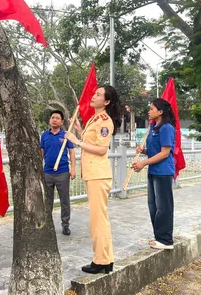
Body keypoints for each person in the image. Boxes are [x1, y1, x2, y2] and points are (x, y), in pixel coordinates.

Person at [65, 86, 122, 275]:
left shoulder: (105, 121)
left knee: (99, 220)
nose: (94, 95)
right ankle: (104, 259)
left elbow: (101, 149)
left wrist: (76, 141)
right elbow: (92, 142)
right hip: (92, 174)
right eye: (95, 92)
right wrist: (81, 131)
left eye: (98, 94)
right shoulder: (94, 119)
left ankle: (103, 260)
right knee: (97, 219)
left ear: (106, 102)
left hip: (99, 174)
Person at [132, 98, 176, 250]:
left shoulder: (166, 128)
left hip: (163, 172)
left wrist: (143, 163)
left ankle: (166, 240)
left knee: (164, 206)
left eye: (151, 108)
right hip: (154, 171)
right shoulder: (153, 128)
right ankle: (159, 237)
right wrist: (142, 151)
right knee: (153, 205)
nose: (149, 111)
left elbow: (164, 153)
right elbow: (154, 150)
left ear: (161, 111)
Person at [40, 110, 76, 236]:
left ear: (61, 122)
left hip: (62, 172)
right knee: (47, 201)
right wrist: (39, 168)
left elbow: (71, 152)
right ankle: (48, 226)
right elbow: (42, 152)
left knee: (64, 200)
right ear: (50, 120)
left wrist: (73, 169)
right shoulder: (44, 135)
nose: (54, 119)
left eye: (57, 118)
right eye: (53, 117)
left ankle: (65, 225)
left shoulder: (66, 136)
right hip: (47, 173)